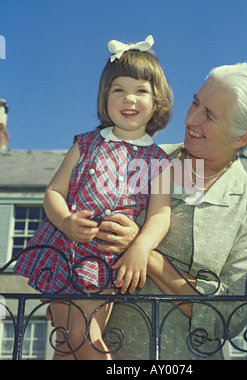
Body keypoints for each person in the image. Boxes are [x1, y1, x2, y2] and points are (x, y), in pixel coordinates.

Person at [96, 62, 247, 360]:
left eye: (209, 115)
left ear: (242, 137)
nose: (190, 118)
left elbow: (230, 315)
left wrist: (144, 252)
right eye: (196, 102)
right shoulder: (139, 157)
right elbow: (83, 232)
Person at [13, 35, 173, 360]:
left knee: (84, 337)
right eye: (119, 89)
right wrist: (67, 221)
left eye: (141, 90)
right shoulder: (85, 143)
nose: (129, 98)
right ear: (105, 96)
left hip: (102, 256)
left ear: (157, 101)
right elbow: (54, 192)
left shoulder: (160, 160)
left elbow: (160, 215)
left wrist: (141, 247)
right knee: (64, 344)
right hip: (62, 250)